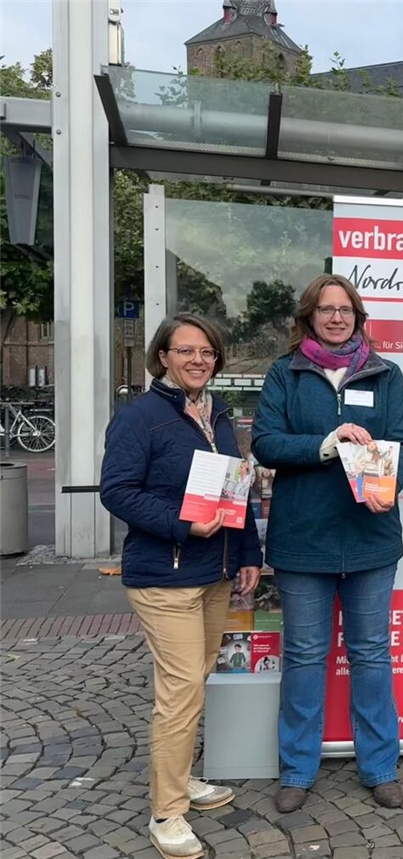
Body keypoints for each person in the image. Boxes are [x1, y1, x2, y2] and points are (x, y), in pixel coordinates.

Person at [100, 313, 262, 859]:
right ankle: (167, 812)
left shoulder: (217, 414)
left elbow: (235, 489)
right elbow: (117, 491)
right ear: (163, 357)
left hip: (213, 573)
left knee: (194, 681)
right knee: (181, 691)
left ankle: (181, 777)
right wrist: (181, 524)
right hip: (163, 575)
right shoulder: (139, 417)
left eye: (207, 352)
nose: (198, 360)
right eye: (185, 350)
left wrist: (248, 553)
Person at [252, 274, 403, 813]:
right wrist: (328, 443)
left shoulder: (385, 374)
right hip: (303, 540)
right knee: (304, 656)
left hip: (370, 539)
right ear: (310, 317)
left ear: (358, 317)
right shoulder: (286, 373)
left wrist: (389, 483)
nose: (337, 318)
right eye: (326, 309)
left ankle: (381, 767)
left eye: (346, 310)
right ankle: (297, 770)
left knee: (371, 654)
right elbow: (266, 443)